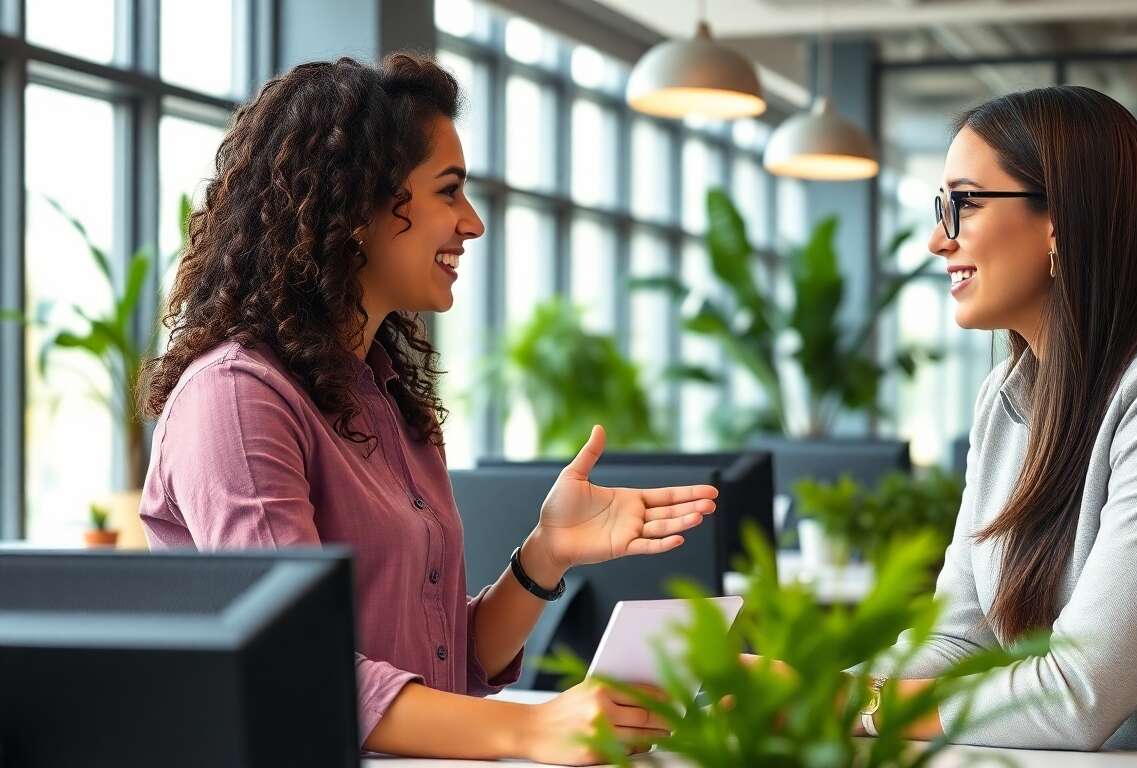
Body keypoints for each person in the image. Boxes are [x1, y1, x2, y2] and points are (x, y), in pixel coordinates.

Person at [138, 53, 715, 765]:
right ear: (357, 210)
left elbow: (444, 665)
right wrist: (534, 731)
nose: (471, 223)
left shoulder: (385, 396)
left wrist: (546, 552)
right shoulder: (235, 398)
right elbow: (295, 666)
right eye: (449, 192)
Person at [863, 85, 1137, 757]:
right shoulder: (1008, 396)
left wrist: (862, 707)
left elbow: (1077, 695)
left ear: (1060, 220)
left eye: (964, 203)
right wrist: (804, 696)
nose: (936, 238)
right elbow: (961, 637)